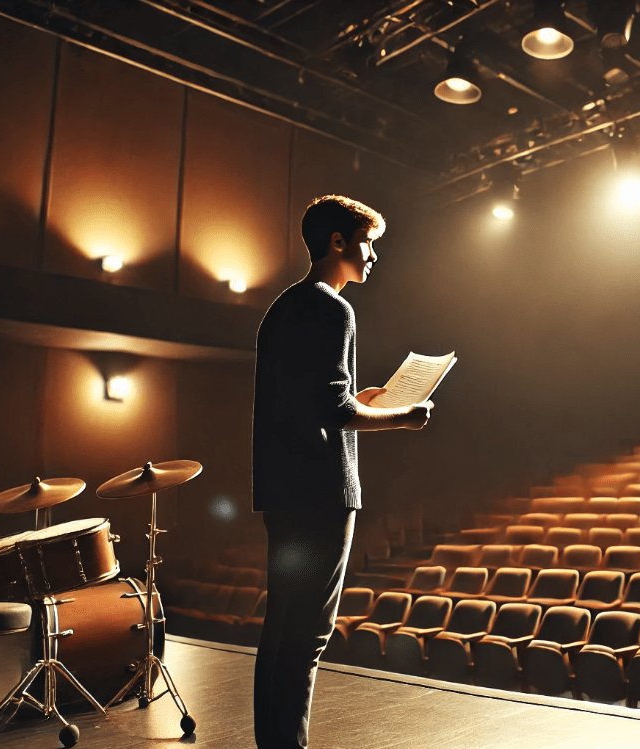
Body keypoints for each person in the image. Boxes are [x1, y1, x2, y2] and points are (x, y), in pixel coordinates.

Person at [251, 195, 432, 749]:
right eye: (367, 242)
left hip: (281, 490)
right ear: (338, 242)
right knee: (308, 635)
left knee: (281, 628)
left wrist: (361, 399)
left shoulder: (284, 306)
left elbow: (310, 401)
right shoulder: (335, 309)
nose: (373, 254)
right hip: (322, 493)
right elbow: (333, 411)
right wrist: (402, 416)